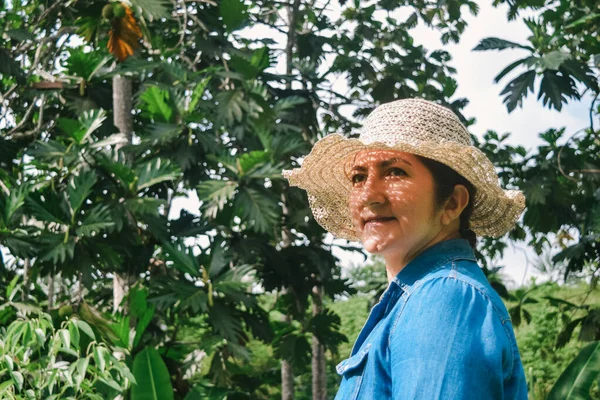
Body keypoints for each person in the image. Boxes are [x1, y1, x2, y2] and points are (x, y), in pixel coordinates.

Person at [283, 99, 528, 399]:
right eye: (359, 177)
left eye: (395, 172)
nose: (369, 196)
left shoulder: (445, 297)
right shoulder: (413, 299)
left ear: (451, 203)